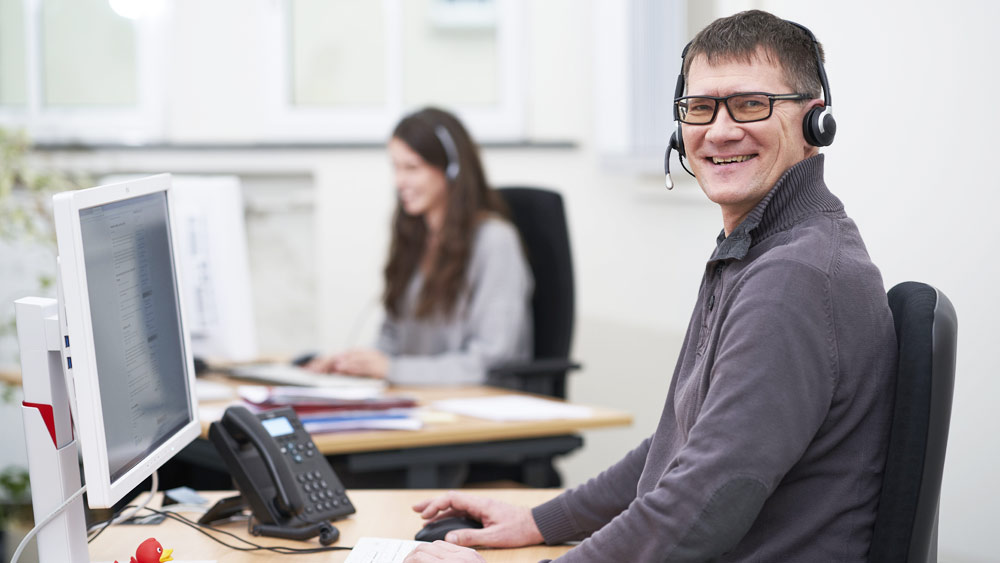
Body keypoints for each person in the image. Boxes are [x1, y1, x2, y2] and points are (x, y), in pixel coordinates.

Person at [404, 10, 896, 563]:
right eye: (700, 108)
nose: (719, 130)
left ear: (814, 121)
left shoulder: (793, 278)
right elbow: (679, 451)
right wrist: (538, 520)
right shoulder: (758, 251)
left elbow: (701, 504)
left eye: (752, 104)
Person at [306, 107, 534, 386]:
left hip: (479, 405)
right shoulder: (414, 236)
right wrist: (355, 364)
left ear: (452, 170)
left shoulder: (495, 241)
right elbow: (392, 340)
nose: (399, 182)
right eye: (395, 167)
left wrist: (392, 369)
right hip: (421, 401)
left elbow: (492, 360)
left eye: (411, 168)